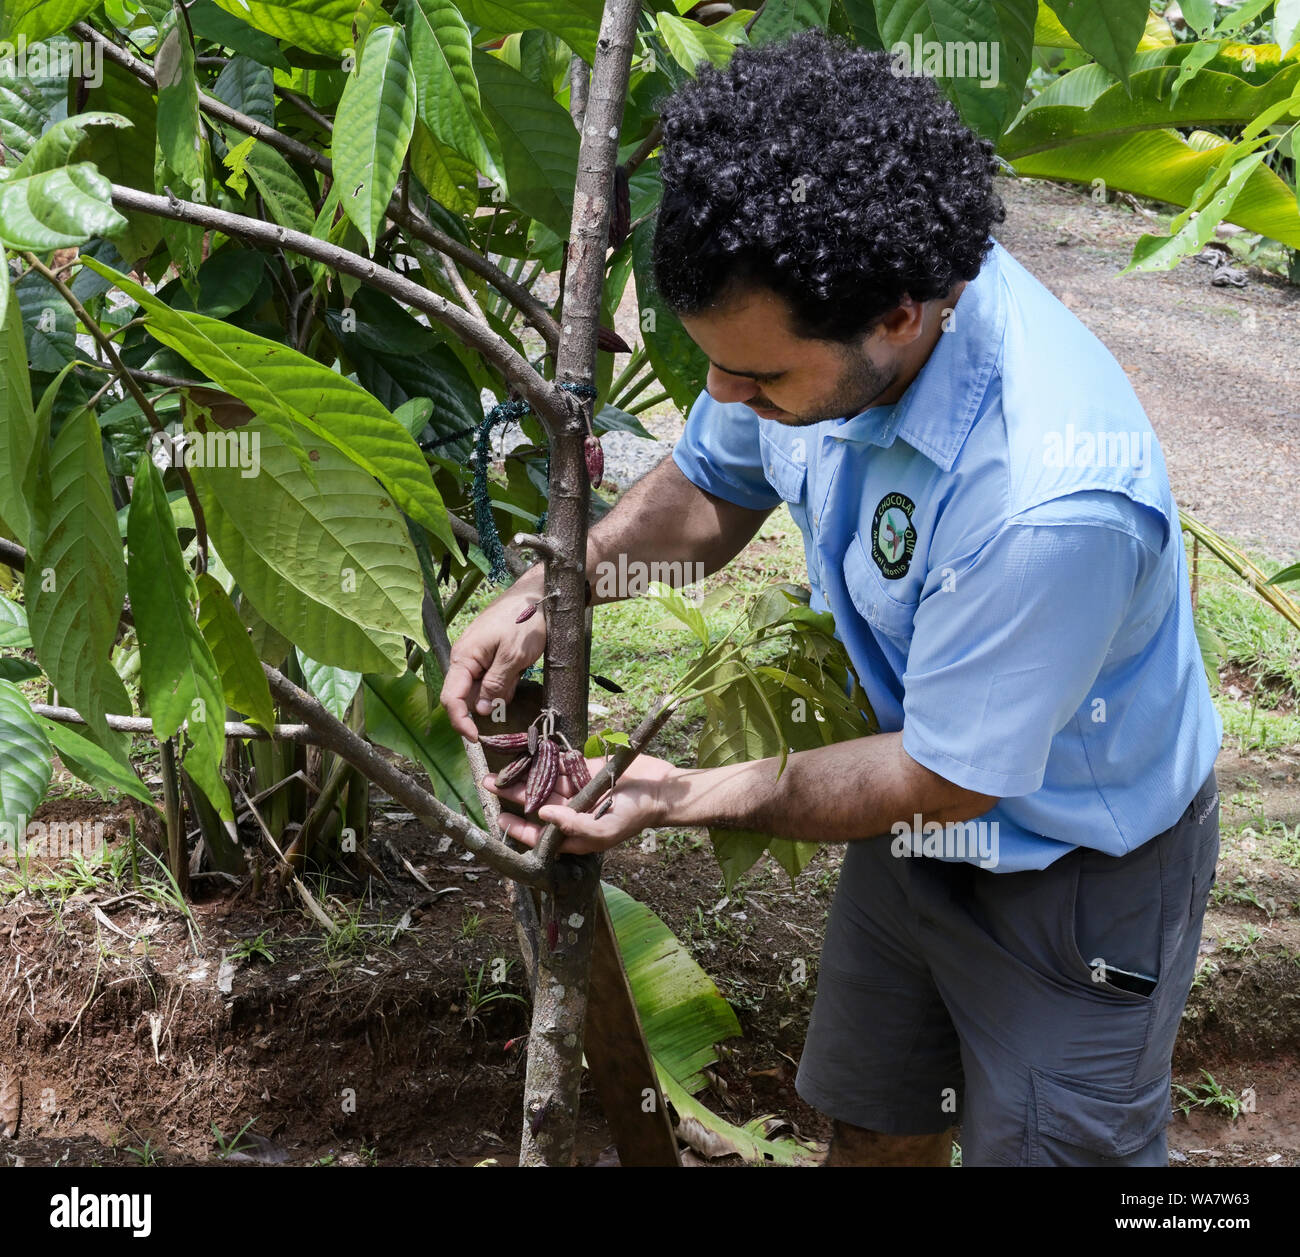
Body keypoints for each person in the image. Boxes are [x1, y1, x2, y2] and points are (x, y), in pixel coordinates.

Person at [441, 30, 1223, 1167]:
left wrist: (675, 793)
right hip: (912, 832)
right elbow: (712, 491)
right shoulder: (821, 296)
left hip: (1074, 869)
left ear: (899, 317)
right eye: (714, 364)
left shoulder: (1047, 498)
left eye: (758, 377)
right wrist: (550, 596)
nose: (725, 397)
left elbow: (943, 774)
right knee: (878, 1124)